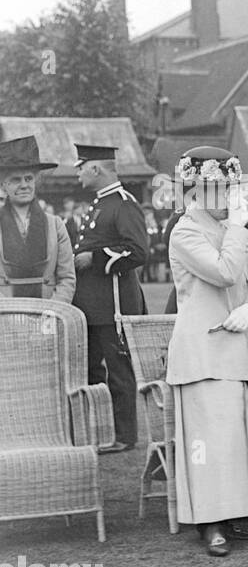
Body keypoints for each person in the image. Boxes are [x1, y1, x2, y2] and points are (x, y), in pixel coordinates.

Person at [166, 148, 248, 557]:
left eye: (227, 187)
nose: (223, 195)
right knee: (206, 440)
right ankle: (210, 524)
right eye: (213, 187)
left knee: (235, 435)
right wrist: (239, 229)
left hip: (236, 348)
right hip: (203, 348)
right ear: (193, 187)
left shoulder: (232, 228)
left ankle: (233, 512)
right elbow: (224, 271)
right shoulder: (185, 231)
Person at [72, 143, 149, 453]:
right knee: (90, 371)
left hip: (114, 302)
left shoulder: (123, 203)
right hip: (91, 304)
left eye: (81, 166)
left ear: (95, 168)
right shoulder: (101, 203)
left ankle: (125, 436)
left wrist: (97, 257)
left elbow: (138, 251)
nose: (77, 172)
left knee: (119, 373)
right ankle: (101, 432)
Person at [0, 136, 75, 301]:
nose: (24, 185)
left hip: (47, 313)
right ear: (3, 185)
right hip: (4, 314)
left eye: (28, 178)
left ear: (35, 181)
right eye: (15, 180)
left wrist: (52, 311)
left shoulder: (55, 225)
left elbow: (67, 278)